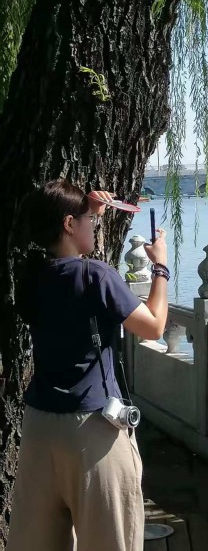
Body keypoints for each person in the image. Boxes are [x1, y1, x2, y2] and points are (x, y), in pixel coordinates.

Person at [7, 179, 169, 551]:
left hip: (40, 429)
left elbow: (70, 281)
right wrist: (161, 267)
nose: (94, 226)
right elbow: (154, 327)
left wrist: (87, 212)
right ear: (68, 224)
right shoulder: (96, 275)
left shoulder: (31, 277)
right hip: (91, 432)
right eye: (88, 221)